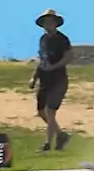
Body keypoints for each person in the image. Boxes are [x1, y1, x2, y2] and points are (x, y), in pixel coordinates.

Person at [29, 8, 73, 153]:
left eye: (50, 22)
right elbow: (42, 59)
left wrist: (54, 67)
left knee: (50, 111)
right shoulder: (43, 40)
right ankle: (60, 135)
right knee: (42, 112)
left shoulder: (62, 39)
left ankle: (48, 144)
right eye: (45, 22)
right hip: (44, 79)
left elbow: (68, 57)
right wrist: (34, 77)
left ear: (55, 23)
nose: (48, 24)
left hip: (58, 79)